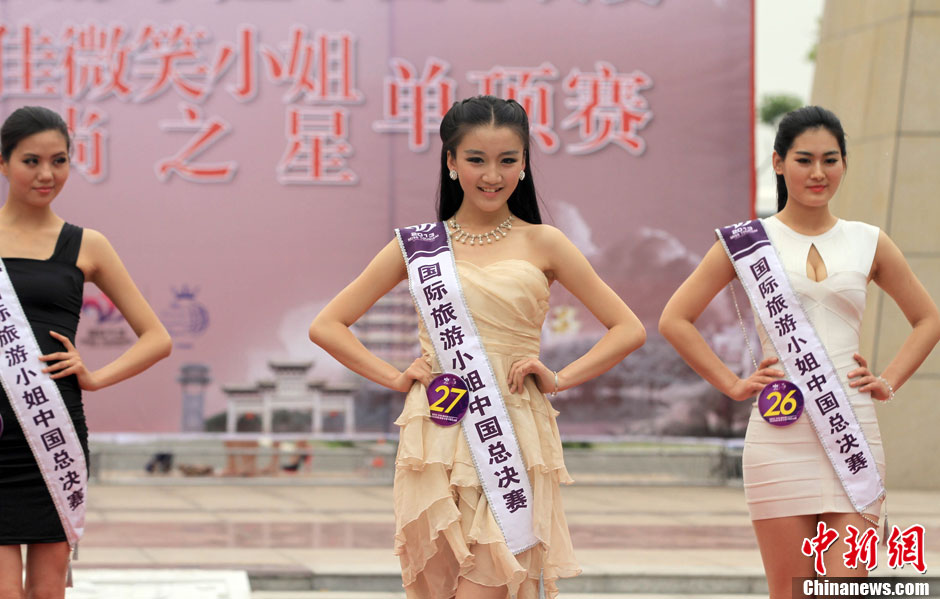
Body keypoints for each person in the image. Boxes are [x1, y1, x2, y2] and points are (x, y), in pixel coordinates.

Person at [310, 95, 645, 599]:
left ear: (525, 164)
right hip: (439, 430)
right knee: (439, 585)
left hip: (511, 427)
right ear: (450, 162)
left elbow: (627, 328)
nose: (493, 175)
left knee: (493, 581)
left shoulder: (545, 242)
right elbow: (328, 325)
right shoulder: (419, 245)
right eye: (476, 160)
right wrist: (397, 377)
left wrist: (559, 378)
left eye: (508, 161)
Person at [659, 106, 940, 598]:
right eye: (804, 159)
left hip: (851, 426)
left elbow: (928, 319)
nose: (817, 173)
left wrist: (889, 379)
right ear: (779, 163)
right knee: (790, 591)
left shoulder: (868, 241)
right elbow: (675, 319)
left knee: (843, 589)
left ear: (845, 165)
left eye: (830, 160)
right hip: (780, 431)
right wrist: (732, 383)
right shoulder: (748, 242)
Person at [0, 106, 172, 598]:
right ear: (4, 163)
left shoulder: (86, 244)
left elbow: (156, 337)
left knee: (48, 590)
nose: (46, 174)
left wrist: (93, 376)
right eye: (31, 161)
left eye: (59, 161)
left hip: (52, 429)